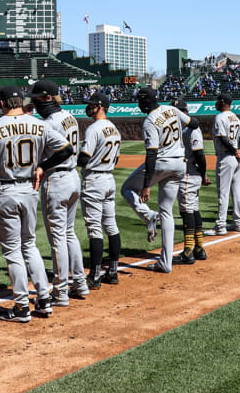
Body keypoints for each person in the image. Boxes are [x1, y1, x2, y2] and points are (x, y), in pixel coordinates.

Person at [0, 85, 72, 322]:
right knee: (30, 245)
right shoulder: (39, 124)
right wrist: (42, 166)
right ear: (21, 102)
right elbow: (67, 150)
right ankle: (44, 299)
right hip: (30, 188)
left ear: (1, 104)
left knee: (13, 250)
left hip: (5, 189)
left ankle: (22, 306)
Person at [121, 86, 193, 273]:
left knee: (127, 188)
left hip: (161, 163)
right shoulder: (172, 110)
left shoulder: (150, 121)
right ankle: (165, 262)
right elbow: (194, 124)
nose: (138, 103)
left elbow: (151, 154)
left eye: (139, 100)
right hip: (179, 164)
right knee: (167, 211)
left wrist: (146, 185)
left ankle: (148, 215)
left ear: (146, 100)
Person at [29, 80, 87, 305]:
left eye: (36, 99)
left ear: (47, 98)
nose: (34, 103)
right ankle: (80, 283)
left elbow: (65, 151)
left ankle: (61, 292)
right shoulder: (68, 116)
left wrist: (42, 166)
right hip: (74, 178)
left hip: (58, 179)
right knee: (69, 233)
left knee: (57, 238)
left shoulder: (50, 122)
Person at [77, 92, 122, 287]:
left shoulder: (94, 129)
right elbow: (117, 159)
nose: (89, 107)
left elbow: (84, 158)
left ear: (101, 106)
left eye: (93, 104)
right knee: (111, 226)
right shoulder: (114, 128)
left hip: (94, 180)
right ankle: (112, 272)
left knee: (94, 228)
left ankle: (94, 277)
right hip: (109, 179)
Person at [173, 99, 210, 264]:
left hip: (189, 174)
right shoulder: (181, 128)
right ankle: (199, 248)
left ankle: (188, 251)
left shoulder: (192, 129)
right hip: (190, 173)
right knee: (193, 210)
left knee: (187, 211)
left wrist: (203, 174)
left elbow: (200, 154)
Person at [207, 93, 240, 235]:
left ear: (223, 102)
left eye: (218, 101)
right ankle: (238, 223)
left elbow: (222, 138)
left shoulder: (220, 117)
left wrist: (235, 151)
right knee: (237, 191)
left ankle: (221, 226)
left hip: (227, 156)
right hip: (238, 159)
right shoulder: (235, 117)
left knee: (223, 192)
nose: (216, 103)